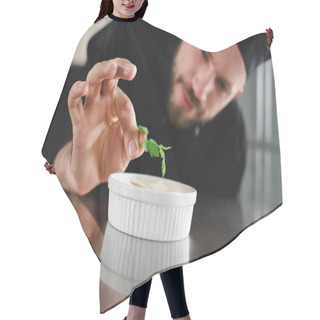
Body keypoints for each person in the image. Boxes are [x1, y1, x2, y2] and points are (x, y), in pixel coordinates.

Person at [42, 1, 274, 319]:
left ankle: (140, 314)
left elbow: (199, 55)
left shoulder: (152, 37)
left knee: (158, 233)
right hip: (117, 163)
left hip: (149, 157)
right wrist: (60, 152)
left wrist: (258, 47)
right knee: (151, 233)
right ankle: (167, 315)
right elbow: (76, 97)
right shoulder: (96, 36)